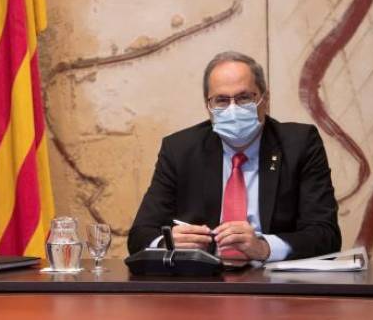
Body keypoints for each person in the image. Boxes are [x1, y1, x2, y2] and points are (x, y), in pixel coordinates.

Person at [127, 51, 341, 262]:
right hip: (204, 279)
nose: (233, 109)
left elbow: (326, 236)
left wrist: (264, 247)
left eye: (244, 98)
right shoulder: (180, 150)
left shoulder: (299, 144)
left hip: (273, 278)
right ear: (208, 106)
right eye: (221, 100)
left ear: (265, 99)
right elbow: (139, 235)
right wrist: (167, 243)